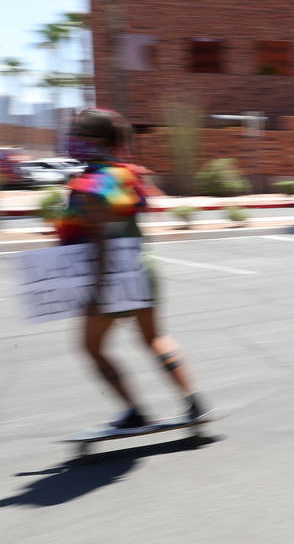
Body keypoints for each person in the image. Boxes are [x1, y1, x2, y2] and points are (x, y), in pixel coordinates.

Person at [57, 108, 209, 429]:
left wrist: (97, 287)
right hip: (140, 268)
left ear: (96, 140)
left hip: (107, 274)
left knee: (91, 348)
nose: (72, 140)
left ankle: (134, 410)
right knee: (154, 338)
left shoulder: (89, 185)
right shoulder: (126, 175)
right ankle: (194, 401)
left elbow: (99, 237)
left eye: (78, 134)